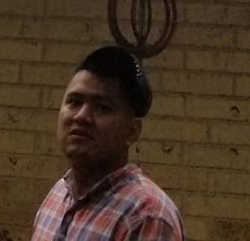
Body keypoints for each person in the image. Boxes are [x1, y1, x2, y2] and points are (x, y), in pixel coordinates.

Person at [32, 46, 183, 241]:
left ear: (132, 131)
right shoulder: (58, 196)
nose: (81, 116)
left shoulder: (145, 216)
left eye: (102, 108)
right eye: (74, 102)